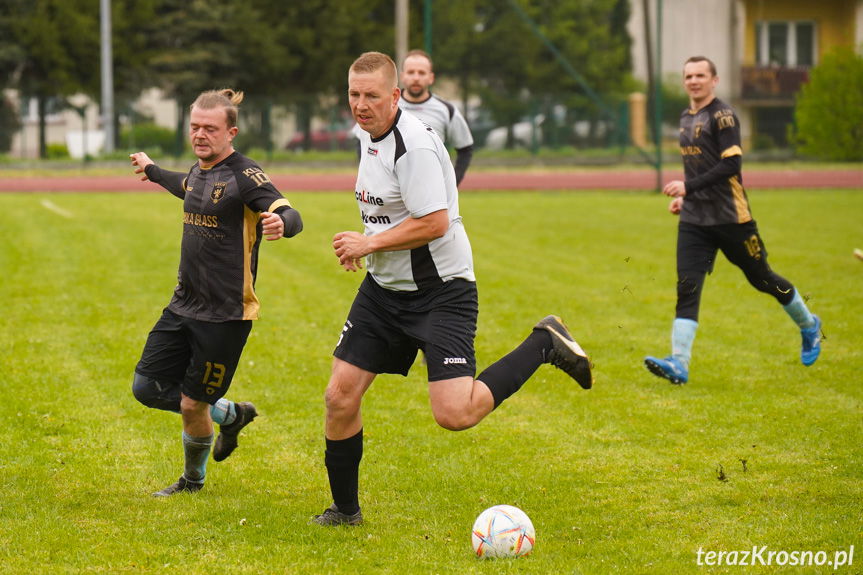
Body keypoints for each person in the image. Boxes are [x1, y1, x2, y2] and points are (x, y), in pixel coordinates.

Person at [311, 52, 592, 526]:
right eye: (354, 95)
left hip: (441, 291)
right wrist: (369, 248)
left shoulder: (414, 145)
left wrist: (369, 242)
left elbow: (435, 223)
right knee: (340, 396)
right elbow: (387, 208)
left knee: (455, 414)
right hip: (384, 290)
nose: (360, 105)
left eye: (371, 96)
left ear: (395, 96)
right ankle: (345, 511)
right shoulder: (367, 133)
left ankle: (543, 342)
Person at [129, 89, 303, 496]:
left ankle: (193, 481)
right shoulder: (202, 170)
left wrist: (282, 223)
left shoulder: (245, 174)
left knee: (191, 404)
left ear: (232, 132)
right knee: (146, 387)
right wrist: (153, 170)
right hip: (183, 303)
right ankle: (231, 415)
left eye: (210, 128)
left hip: (224, 315)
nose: (200, 135)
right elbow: (185, 184)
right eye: (195, 127)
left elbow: (283, 208)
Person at [644, 56, 821, 385]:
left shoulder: (722, 116)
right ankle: (679, 364)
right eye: (688, 76)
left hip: (731, 218)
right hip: (696, 220)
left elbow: (732, 166)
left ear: (714, 80)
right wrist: (687, 198)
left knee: (762, 279)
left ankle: (809, 325)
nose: (694, 81)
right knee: (687, 287)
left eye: (700, 75)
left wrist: (688, 187)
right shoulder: (686, 117)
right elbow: (697, 170)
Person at [351, 49, 474, 187]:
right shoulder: (384, 103)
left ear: (431, 77)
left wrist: (452, 183)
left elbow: (465, 149)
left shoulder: (447, 110)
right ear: (402, 76)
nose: (416, 77)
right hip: (390, 190)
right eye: (411, 72)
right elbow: (361, 138)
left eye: (421, 73)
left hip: (430, 188)